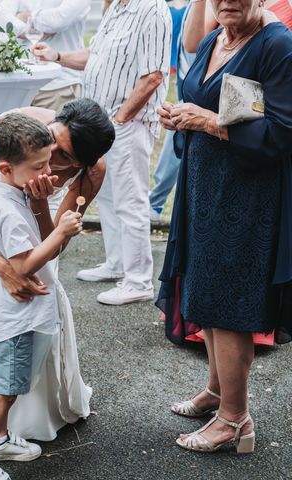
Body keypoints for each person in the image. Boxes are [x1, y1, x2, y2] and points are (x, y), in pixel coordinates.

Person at [157, 0, 292, 453]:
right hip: (203, 188)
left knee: (229, 297)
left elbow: (280, 134)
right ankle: (217, 391)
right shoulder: (219, 35)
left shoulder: (277, 45)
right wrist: (181, 117)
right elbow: (200, 96)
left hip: (246, 196)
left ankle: (235, 420)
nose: (227, 1)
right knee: (205, 287)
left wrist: (209, 123)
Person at [0, 99, 114, 444]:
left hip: (38, 228)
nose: (51, 160)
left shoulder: (92, 172)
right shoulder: (17, 128)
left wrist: (38, 203)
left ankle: (30, 414)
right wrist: (1, 267)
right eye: (53, 141)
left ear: (83, 162)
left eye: (63, 157)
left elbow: (54, 247)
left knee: (36, 290)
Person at [0, 113, 84, 480]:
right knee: (4, 393)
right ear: (4, 168)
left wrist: (42, 208)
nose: (49, 173)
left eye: (50, 162)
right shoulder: (6, 211)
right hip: (17, 319)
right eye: (39, 166)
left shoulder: (14, 195)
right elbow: (24, 265)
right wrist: (60, 233)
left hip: (13, 317)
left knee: (2, 385)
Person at [34, 0, 172, 306]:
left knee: (130, 200)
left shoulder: (152, 9)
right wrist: (57, 56)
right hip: (100, 126)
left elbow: (154, 75)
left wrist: (120, 119)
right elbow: (94, 56)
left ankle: (138, 280)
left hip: (128, 123)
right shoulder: (116, 7)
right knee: (106, 195)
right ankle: (117, 263)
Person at [149, 0, 196, 223]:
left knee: (175, 145)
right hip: (185, 83)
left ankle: (155, 203)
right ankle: (155, 203)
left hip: (197, 89)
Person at [0, 0, 90, 112]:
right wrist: (32, 32)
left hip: (58, 86)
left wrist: (25, 17)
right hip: (21, 85)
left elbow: (58, 20)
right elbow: (1, 19)